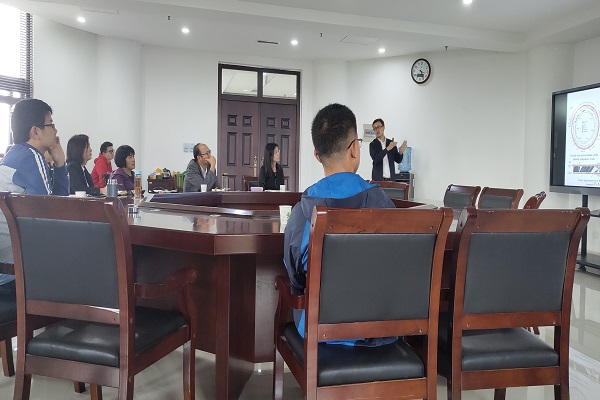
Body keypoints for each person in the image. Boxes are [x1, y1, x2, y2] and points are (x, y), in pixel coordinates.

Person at [283, 103, 395, 347]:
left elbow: (296, 276)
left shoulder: (303, 210)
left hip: (319, 330)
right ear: (354, 148)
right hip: (378, 329)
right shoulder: (382, 203)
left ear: (316, 155)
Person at [0, 98, 69, 288]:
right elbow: (54, 215)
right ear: (35, 132)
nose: (55, 130)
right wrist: (61, 166)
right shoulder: (32, 157)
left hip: (7, 271)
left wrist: (60, 164)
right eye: (51, 124)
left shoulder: (14, 155)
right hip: (16, 277)